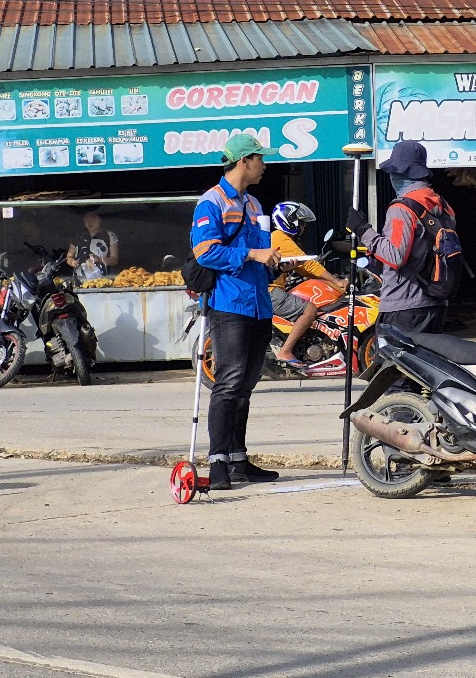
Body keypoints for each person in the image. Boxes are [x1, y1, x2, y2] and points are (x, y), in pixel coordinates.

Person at [190, 133, 283, 491]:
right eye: (261, 159)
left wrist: (273, 262)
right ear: (245, 161)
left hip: (259, 303)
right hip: (229, 305)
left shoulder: (256, 205)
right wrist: (249, 255)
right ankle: (217, 462)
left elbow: (262, 250)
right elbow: (205, 252)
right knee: (228, 383)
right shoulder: (211, 203)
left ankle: (239, 459)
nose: (265, 165)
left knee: (247, 384)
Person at [350, 140, 457, 334]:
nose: (391, 177)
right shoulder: (443, 205)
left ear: (402, 172)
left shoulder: (402, 208)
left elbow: (395, 256)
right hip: (437, 303)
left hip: (404, 306)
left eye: (393, 172)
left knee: (395, 364)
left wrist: (363, 230)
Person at [268, 201, 346, 366]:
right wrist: (336, 280)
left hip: (271, 288)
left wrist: (333, 282)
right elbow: (308, 265)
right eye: (300, 222)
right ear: (288, 221)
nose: (303, 226)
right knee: (309, 310)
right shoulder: (280, 238)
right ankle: (285, 351)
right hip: (270, 290)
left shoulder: (279, 238)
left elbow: (304, 270)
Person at [66, 209, 119, 279]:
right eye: (86, 219)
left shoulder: (109, 235)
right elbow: (69, 257)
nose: (89, 222)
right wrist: (71, 261)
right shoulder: (78, 236)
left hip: (101, 279)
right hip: (79, 278)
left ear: (100, 219)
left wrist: (100, 259)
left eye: (93, 218)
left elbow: (115, 260)